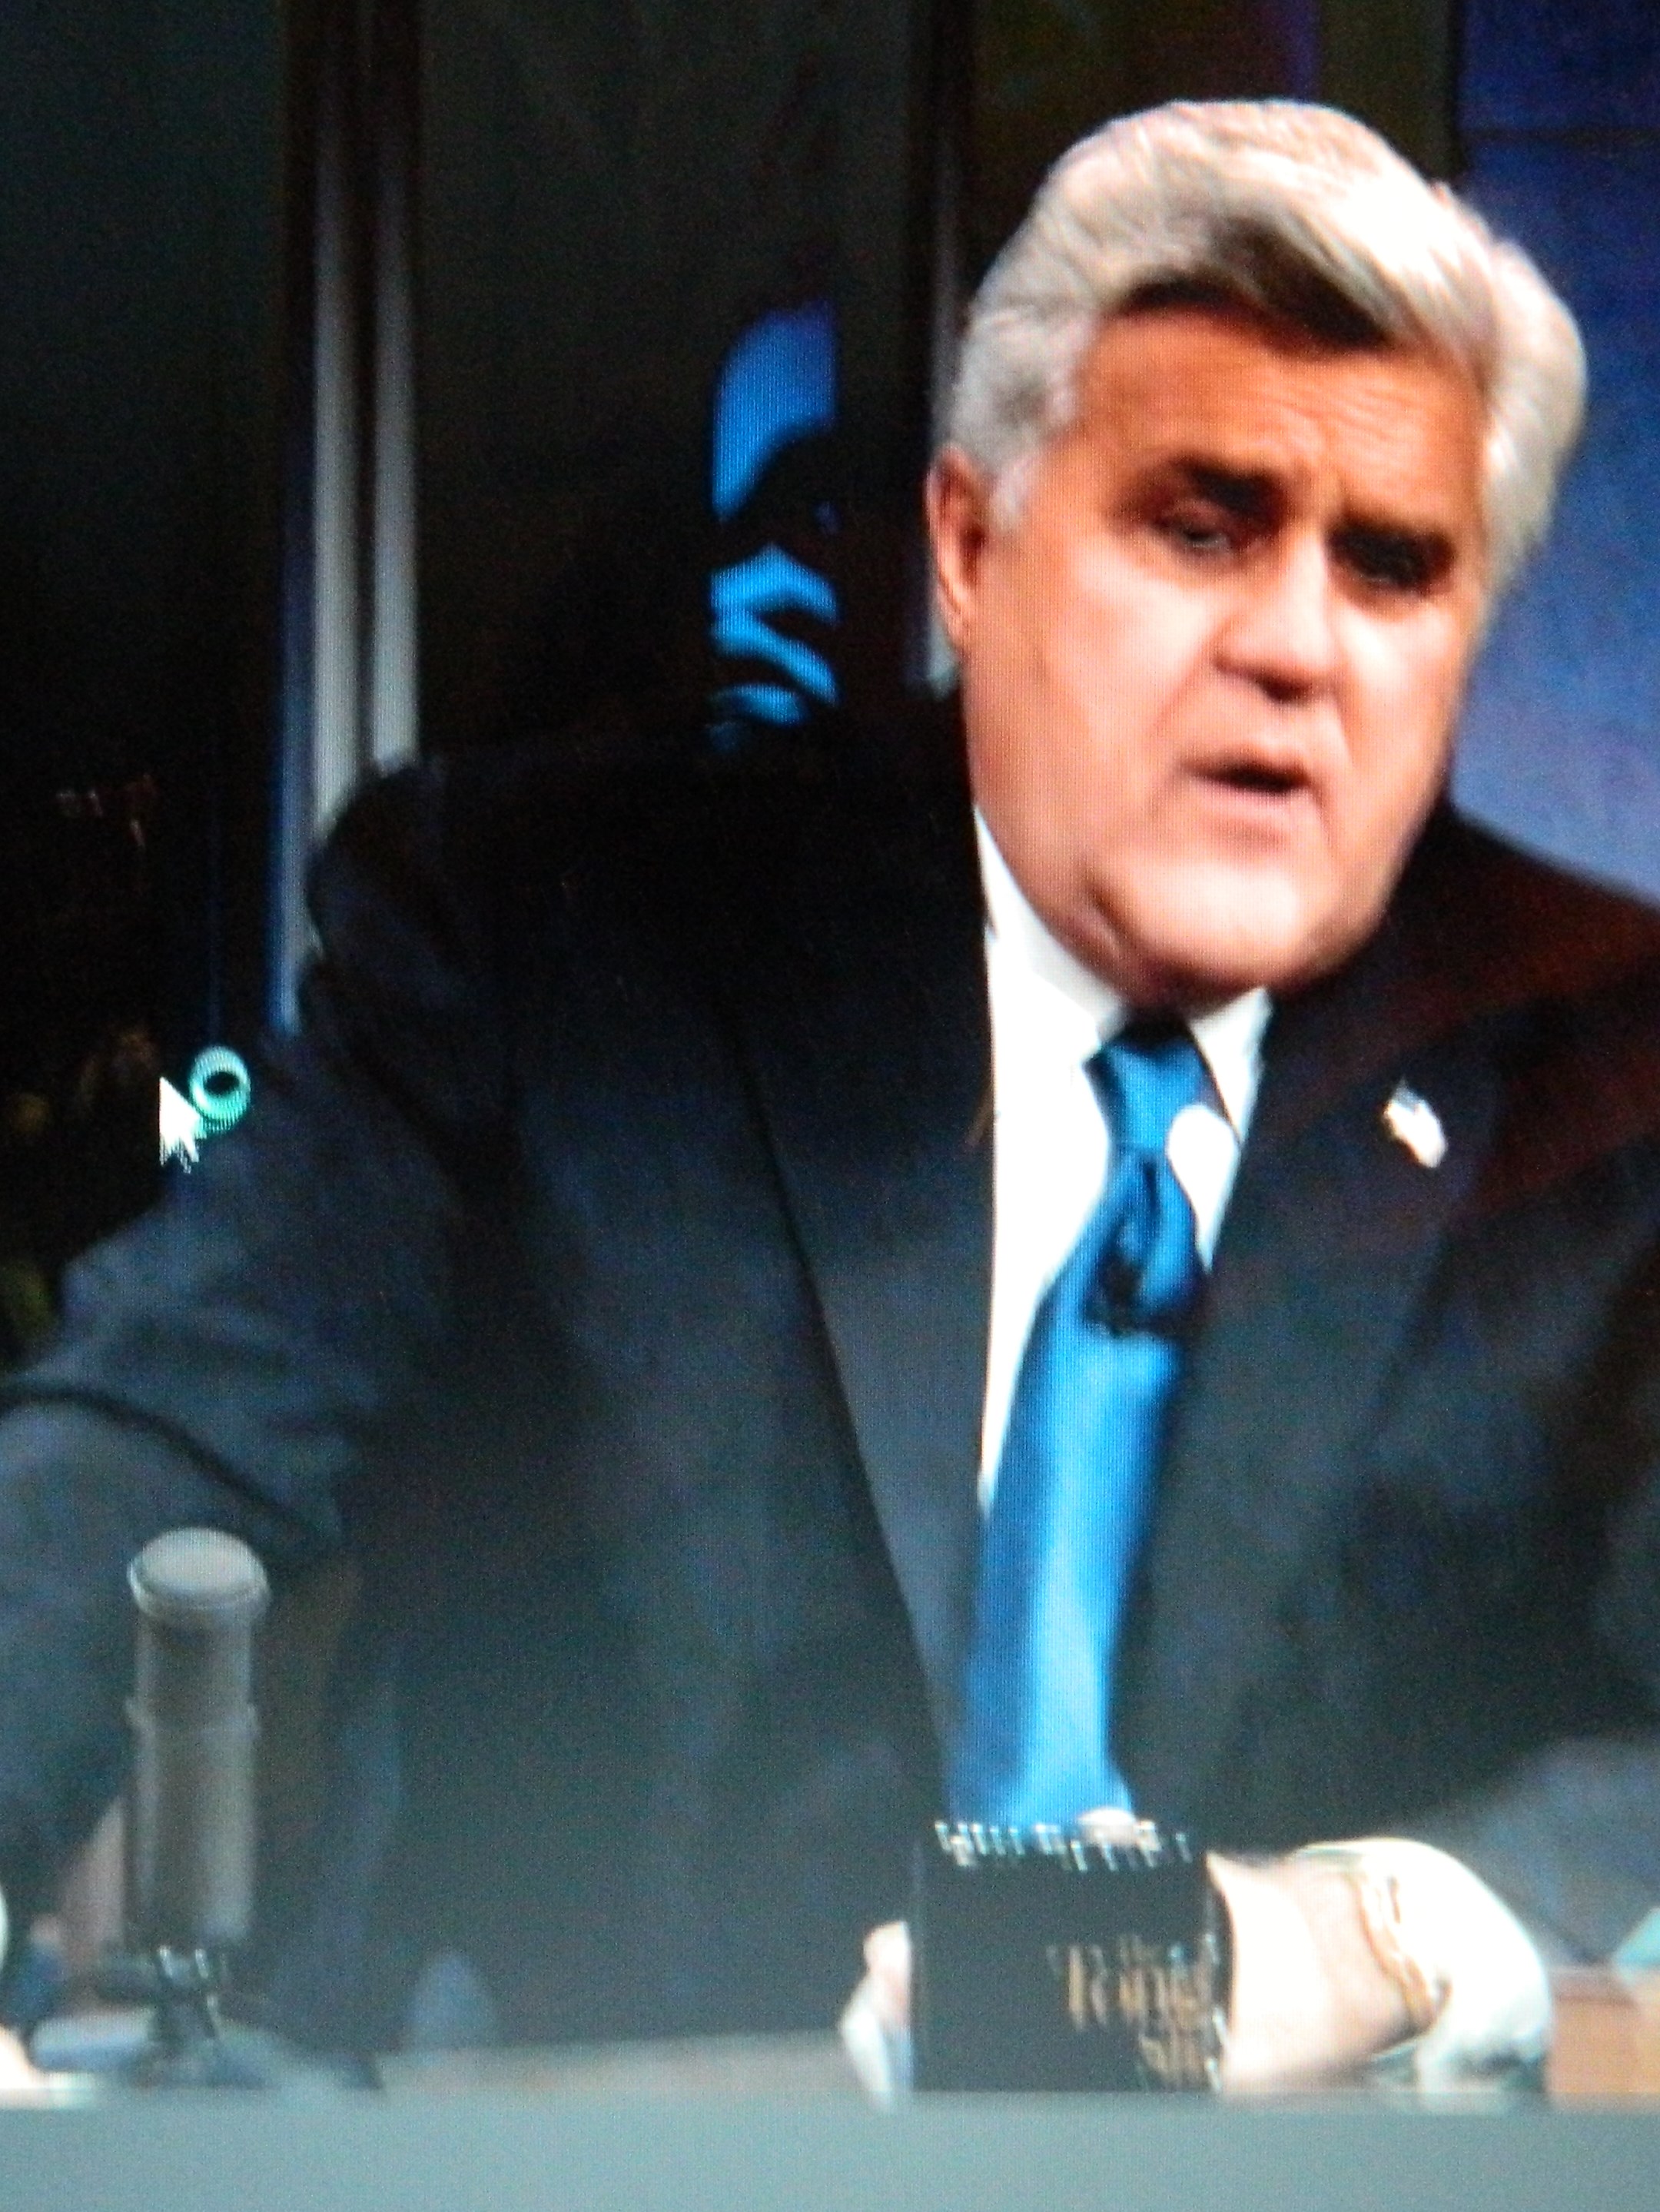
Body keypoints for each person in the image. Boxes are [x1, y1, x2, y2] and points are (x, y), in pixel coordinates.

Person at [0, 99, 1656, 2088]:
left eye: (1392, 569)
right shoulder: (559, 927)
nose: (1296, 645)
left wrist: (1379, 1931)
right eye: (1201, 526)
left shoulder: (1605, 1065)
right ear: (970, 547)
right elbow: (151, 1437)